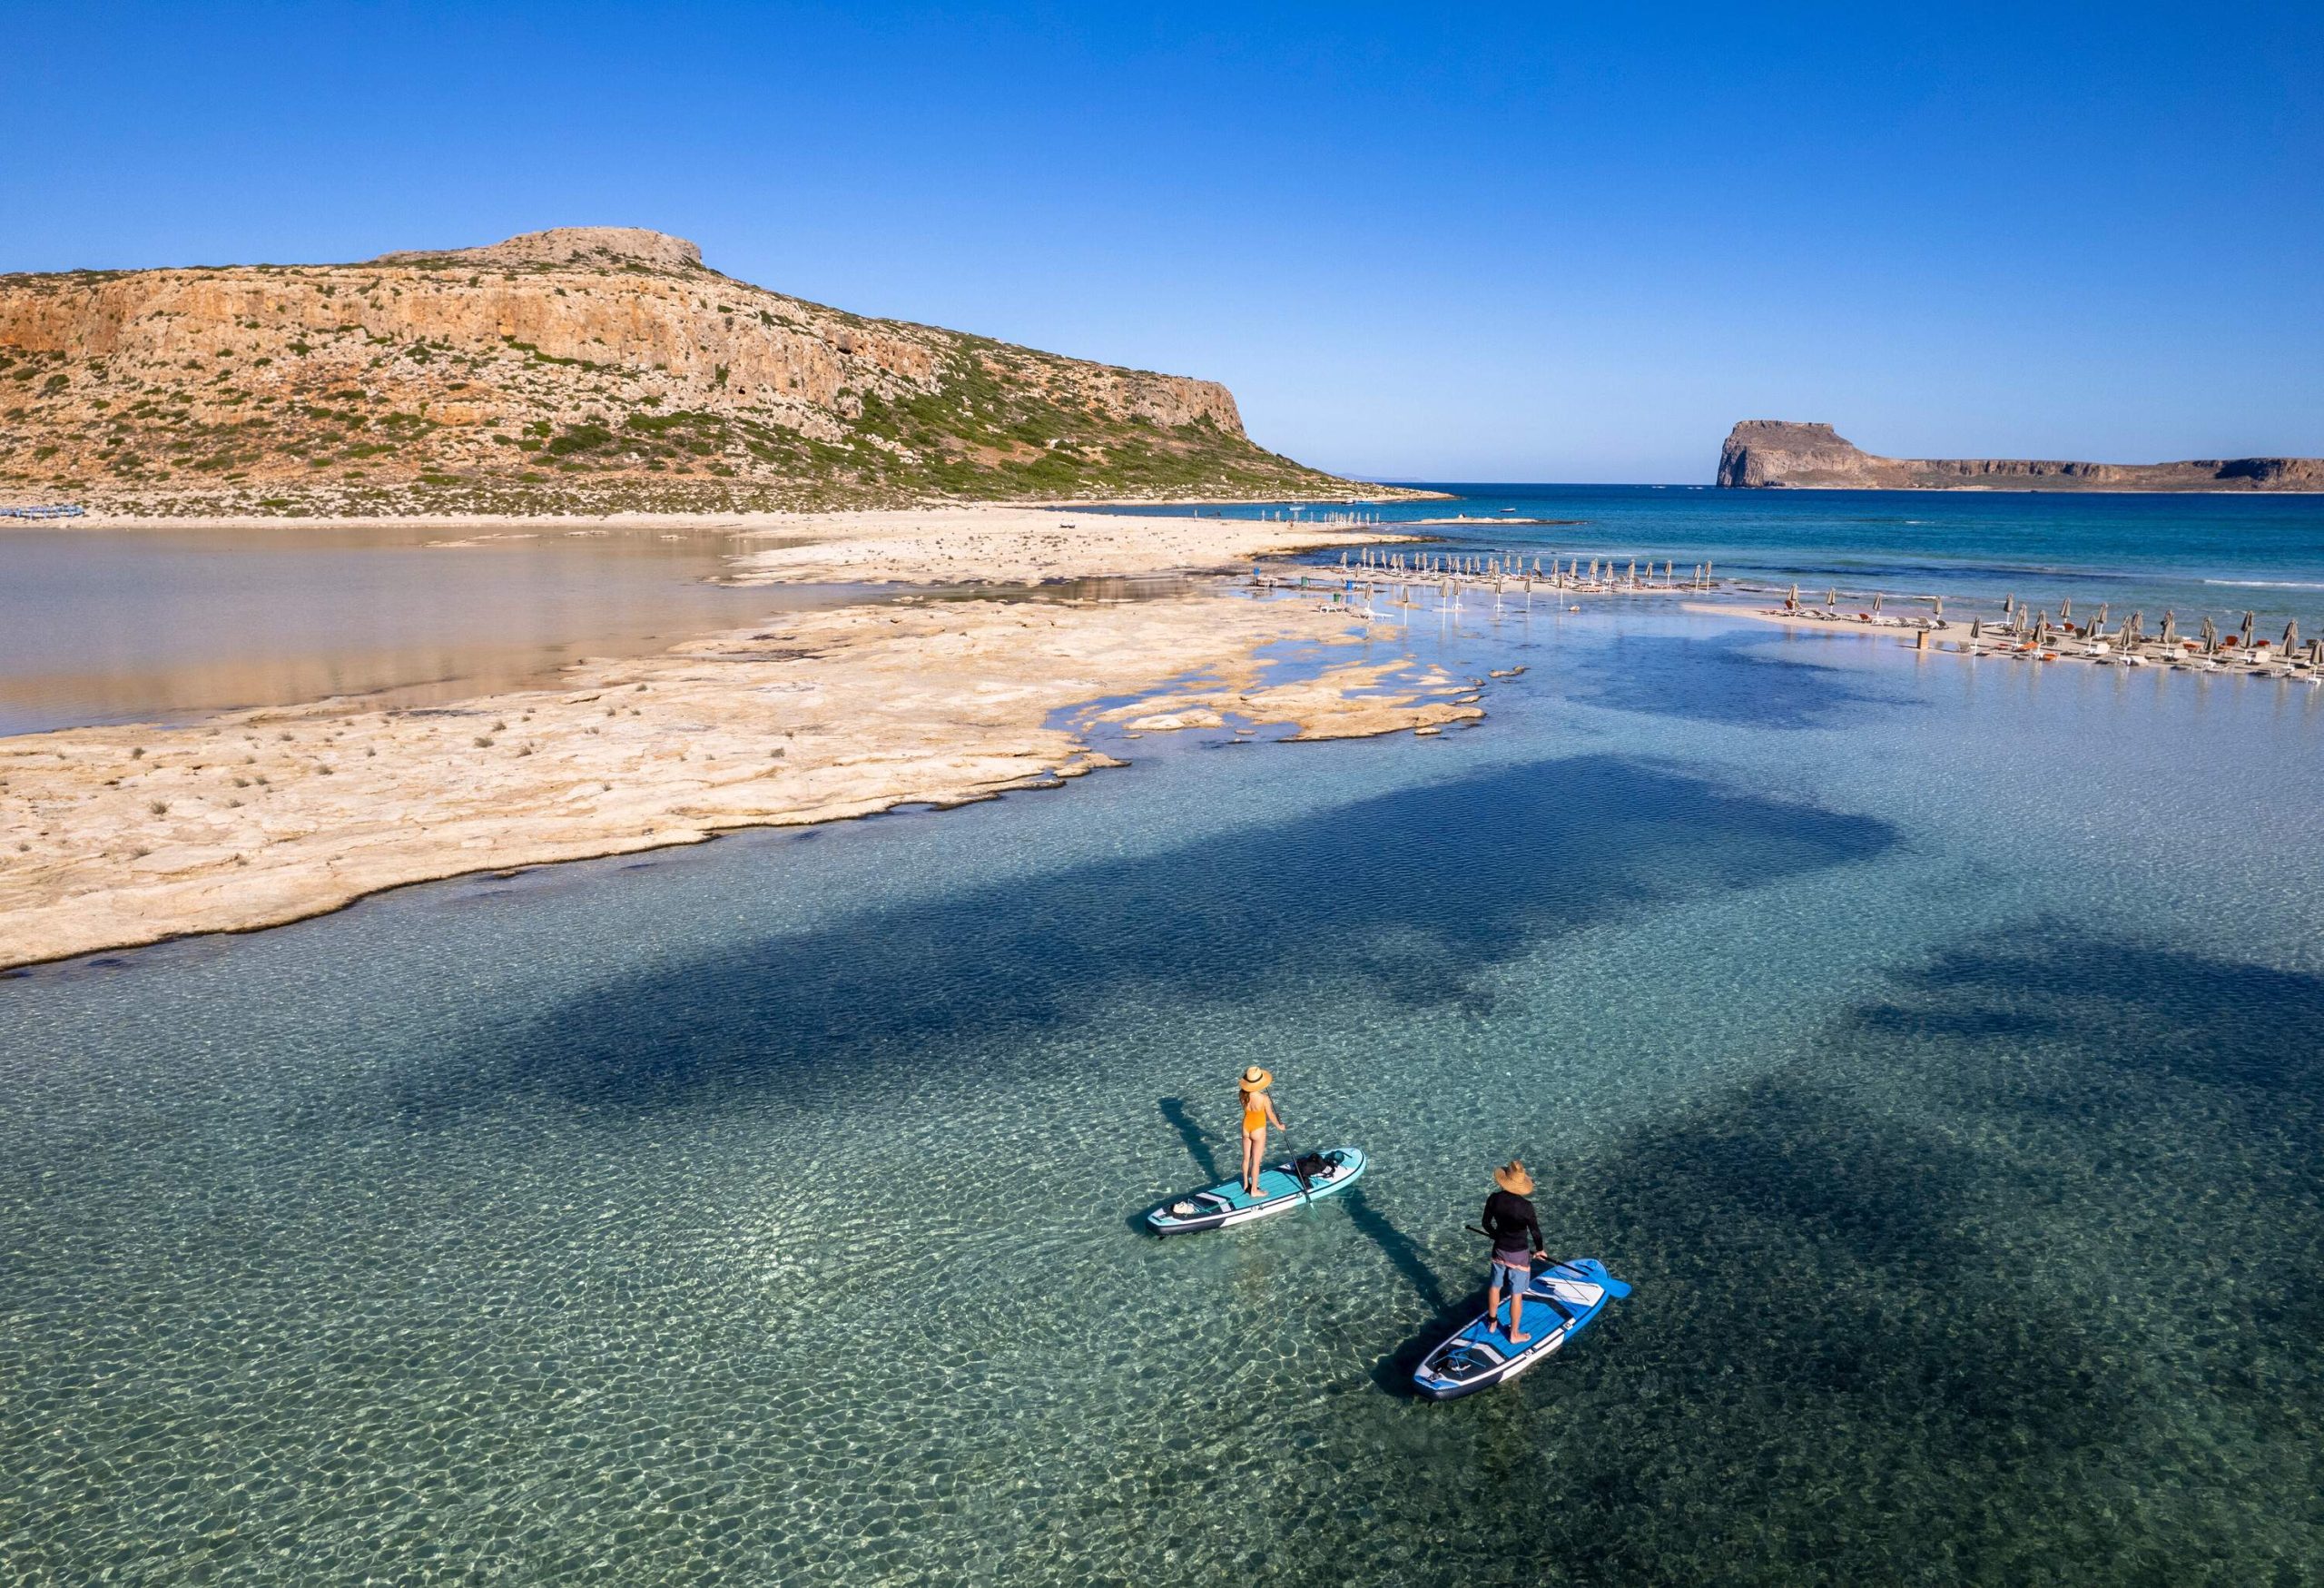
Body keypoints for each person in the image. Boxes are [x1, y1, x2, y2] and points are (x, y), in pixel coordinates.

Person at [1482, 1160, 1550, 1344]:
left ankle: (1493, 1323)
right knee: (1516, 1294)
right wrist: (1540, 1250)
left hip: (1499, 1250)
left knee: (1495, 1286)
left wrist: (1496, 1235)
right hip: (1519, 1254)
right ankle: (1514, 1334)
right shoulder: (1526, 1207)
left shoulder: (1494, 1199)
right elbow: (1535, 1232)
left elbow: (1486, 1224)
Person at [1237, 1067, 1285, 1196]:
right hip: (1258, 1130)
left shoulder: (1242, 1094)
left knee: (1246, 1158)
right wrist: (1279, 1126)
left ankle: (1246, 1184)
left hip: (1246, 1127)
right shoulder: (1264, 1098)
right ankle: (1254, 1191)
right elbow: (1270, 1115)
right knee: (1256, 1162)